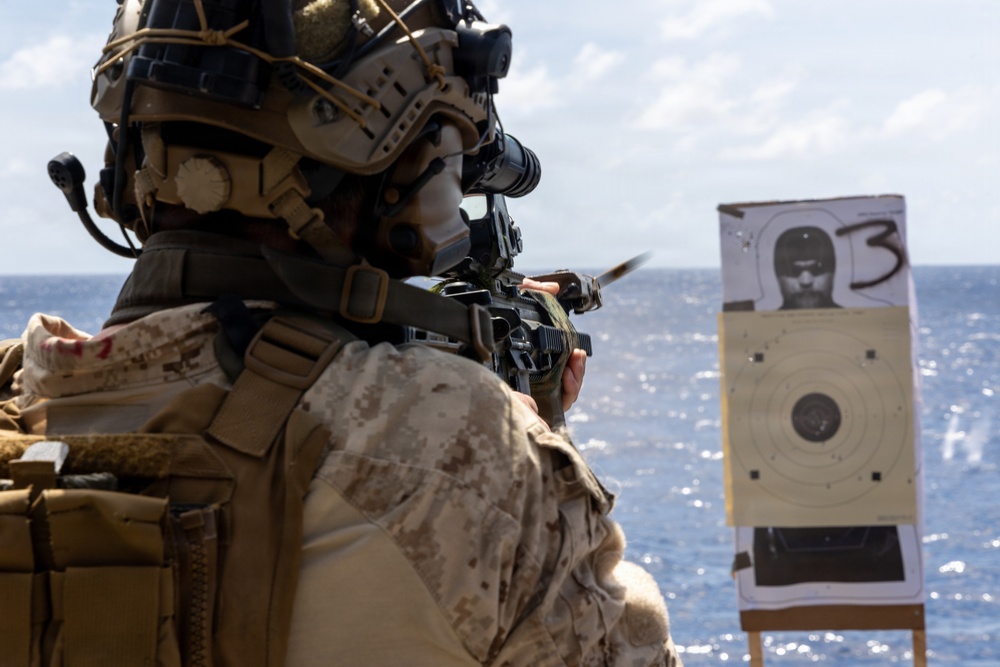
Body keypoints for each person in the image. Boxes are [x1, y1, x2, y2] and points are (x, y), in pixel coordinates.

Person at [1, 1, 683, 665]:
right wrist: (545, 439)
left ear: (128, 164)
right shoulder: (457, 447)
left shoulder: (18, 402)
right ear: (412, 178)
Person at [773, 225, 841, 309]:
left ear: (832, 274)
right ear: (778, 277)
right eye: (794, 271)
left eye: (816, 270)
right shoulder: (762, 322)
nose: (806, 281)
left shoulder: (853, 321)